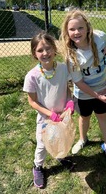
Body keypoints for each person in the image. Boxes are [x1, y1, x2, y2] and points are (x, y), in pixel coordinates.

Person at [23, 32, 75, 189]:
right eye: (40, 50)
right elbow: (32, 101)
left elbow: (66, 88)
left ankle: (60, 155)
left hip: (62, 114)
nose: (45, 53)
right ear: (34, 53)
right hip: (45, 118)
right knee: (42, 144)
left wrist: (70, 102)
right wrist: (49, 114)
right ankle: (38, 166)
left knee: (62, 137)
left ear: (54, 49)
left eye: (48, 49)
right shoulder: (32, 76)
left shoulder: (63, 69)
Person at [60, 10, 106, 160]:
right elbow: (79, 82)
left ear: (87, 27)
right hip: (84, 92)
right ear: (67, 31)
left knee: (102, 116)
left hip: (103, 87)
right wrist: (98, 97)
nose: (76, 32)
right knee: (84, 117)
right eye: (72, 29)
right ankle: (83, 139)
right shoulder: (71, 56)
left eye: (80, 28)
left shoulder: (99, 37)